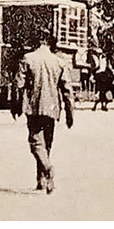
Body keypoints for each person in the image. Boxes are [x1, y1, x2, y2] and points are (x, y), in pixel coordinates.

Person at [12, 28, 75, 195]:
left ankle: (47, 169)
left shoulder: (28, 59)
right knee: (47, 143)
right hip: (53, 107)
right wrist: (70, 113)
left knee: (35, 142)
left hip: (33, 107)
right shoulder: (59, 62)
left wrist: (16, 106)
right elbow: (67, 89)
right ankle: (41, 181)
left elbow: (18, 84)